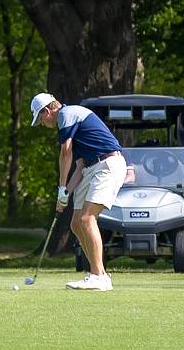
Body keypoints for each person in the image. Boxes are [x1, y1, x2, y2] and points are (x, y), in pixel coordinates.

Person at [30, 93, 127, 291]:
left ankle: (98, 276)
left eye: (40, 118)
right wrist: (65, 193)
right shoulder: (74, 124)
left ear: (47, 111)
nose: (42, 123)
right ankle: (99, 274)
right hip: (91, 168)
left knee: (86, 219)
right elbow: (80, 164)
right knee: (75, 223)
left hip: (108, 164)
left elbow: (65, 153)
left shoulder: (67, 114)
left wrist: (60, 187)